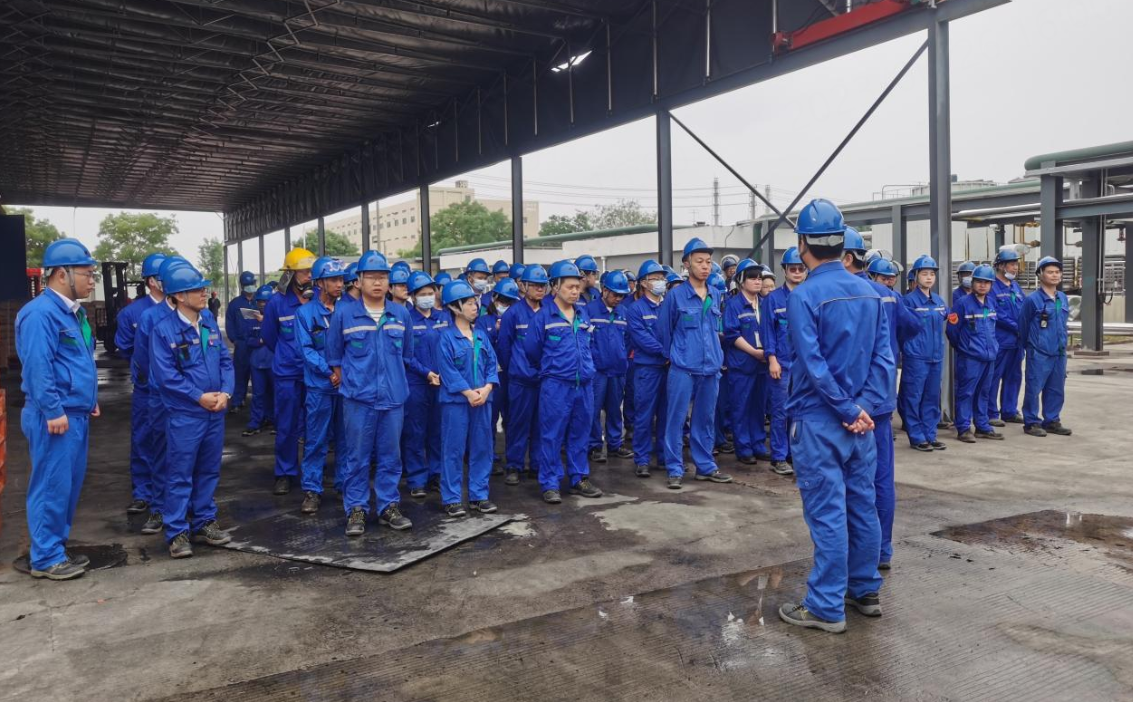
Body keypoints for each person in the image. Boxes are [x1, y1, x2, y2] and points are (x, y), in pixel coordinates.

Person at [777, 199, 893, 634]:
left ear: (802, 244)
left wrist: (846, 408)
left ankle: (826, 605)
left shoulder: (804, 296)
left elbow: (812, 363)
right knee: (862, 505)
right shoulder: (871, 292)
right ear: (842, 243)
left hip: (819, 420)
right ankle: (864, 590)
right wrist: (863, 408)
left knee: (828, 512)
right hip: (861, 422)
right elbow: (885, 359)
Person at [16, 239, 101, 580]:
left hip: (73, 412)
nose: (92, 280)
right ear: (62, 274)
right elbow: (38, 367)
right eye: (86, 273)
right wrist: (52, 410)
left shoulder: (72, 312)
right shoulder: (40, 314)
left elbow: (77, 361)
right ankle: (46, 557)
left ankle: (55, 549)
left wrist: (89, 398)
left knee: (66, 486)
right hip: (54, 416)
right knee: (51, 485)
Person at [149, 263, 234, 558]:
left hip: (214, 412)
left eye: (203, 288)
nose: (204, 293)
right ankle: (177, 531)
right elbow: (166, 376)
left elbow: (225, 361)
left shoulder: (208, 323)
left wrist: (226, 393)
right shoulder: (163, 331)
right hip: (186, 415)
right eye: (197, 289)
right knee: (180, 473)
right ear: (178, 296)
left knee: (209, 470)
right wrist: (198, 397)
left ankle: (204, 522)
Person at [326, 250, 414, 536]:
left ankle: (388, 506)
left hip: (393, 399)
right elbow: (334, 357)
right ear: (359, 281)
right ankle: (356, 509)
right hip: (358, 401)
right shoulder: (344, 314)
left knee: (391, 456)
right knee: (357, 457)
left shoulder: (401, 314)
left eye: (383, 277)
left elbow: (407, 354)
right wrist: (355, 384)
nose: (378, 283)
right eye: (371, 277)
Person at [524, 261, 603, 503]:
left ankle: (579, 478)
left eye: (577, 287)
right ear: (555, 287)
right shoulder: (543, 317)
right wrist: (553, 369)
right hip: (556, 386)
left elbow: (590, 345)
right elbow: (532, 350)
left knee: (580, 432)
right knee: (551, 435)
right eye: (570, 287)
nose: (575, 291)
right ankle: (550, 483)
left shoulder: (582, 314)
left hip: (584, 384)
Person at [657, 238, 733, 489]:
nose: (705, 266)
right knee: (676, 419)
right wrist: (676, 355)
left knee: (705, 419)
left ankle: (705, 466)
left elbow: (716, 330)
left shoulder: (715, 294)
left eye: (708, 262)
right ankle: (674, 468)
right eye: (699, 261)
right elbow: (664, 331)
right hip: (683, 369)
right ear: (686, 264)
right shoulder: (675, 296)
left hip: (710, 369)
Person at [858, 250, 915, 573]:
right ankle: (881, 551)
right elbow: (912, 326)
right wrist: (891, 345)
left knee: (850, 480)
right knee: (881, 477)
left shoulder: (829, 291)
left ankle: (857, 555)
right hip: (880, 394)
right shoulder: (889, 296)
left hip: (847, 401)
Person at [131, 256, 194, 537]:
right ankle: (158, 507)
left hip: (192, 398)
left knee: (190, 455)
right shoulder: (150, 317)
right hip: (161, 397)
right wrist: (161, 383)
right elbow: (143, 359)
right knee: (161, 452)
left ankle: (189, 507)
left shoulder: (199, 314)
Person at [436, 281, 500, 516]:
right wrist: (468, 392)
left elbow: (492, 364)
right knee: (453, 450)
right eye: (471, 303)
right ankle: (452, 498)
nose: (476, 307)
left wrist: (487, 388)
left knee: (482, 447)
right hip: (456, 403)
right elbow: (448, 371)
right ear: (455, 307)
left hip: (483, 400)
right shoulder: (446, 338)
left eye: (476, 302)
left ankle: (479, 495)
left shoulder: (481, 335)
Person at [294, 257, 347, 513]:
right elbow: (306, 350)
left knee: (347, 439)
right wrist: (329, 371)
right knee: (316, 440)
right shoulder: (305, 313)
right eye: (333, 280)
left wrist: (344, 372)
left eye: (341, 280)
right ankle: (312, 490)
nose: (339, 284)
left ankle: (345, 484)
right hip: (320, 387)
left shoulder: (348, 310)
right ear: (320, 283)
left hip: (346, 386)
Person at [115, 252, 166, 516]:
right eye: (162, 276)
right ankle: (143, 492)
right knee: (143, 438)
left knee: (175, 440)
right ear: (151, 281)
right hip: (147, 389)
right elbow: (126, 348)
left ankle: (170, 491)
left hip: (177, 390)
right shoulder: (132, 313)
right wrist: (144, 370)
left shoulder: (180, 307)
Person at [262, 247, 316, 495]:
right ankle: (285, 472)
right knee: (286, 424)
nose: (309, 275)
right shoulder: (277, 302)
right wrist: (287, 354)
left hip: (315, 373)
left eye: (311, 271)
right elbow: (269, 336)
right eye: (304, 271)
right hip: (287, 374)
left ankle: (313, 474)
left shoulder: (319, 299)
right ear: (291, 274)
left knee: (316, 425)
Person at [497, 264, 549, 486]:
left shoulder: (549, 311)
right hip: (520, 380)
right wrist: (516, 369)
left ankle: (537, 465)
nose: (540, 289)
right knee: (518, 424)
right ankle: (514, 465)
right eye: (535, 285)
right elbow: (504, 347)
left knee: (541, 424)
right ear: (524, 286)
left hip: (545, 379)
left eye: (543, 285)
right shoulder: (513, 314)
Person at [762, 247, 805, 477]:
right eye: (793, 269)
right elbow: (767, 331)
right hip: (782, 363)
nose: (797, 272)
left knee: (799, 412)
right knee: (780, 412)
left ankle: (794, 453)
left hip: (803, 365)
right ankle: (779, 456)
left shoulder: (809, 295)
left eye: (800, 269)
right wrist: (772, 359)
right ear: (785, 271)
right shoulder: (773, 299)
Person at [403, 270, 446, 498]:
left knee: (437, 431)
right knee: (415, 432)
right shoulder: (407, 319)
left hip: (442, 383)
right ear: (412, 296)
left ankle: (435, 474)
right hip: (416, 384)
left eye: (431, 293)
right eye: (422, 294)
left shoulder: (443, 318)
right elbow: (406, 355)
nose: (428, 297)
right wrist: (426, 373)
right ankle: (416, 479)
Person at [947, 264, 1001, 443]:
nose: (983, 285)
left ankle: (982, 426)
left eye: (987, 282)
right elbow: (952, 331)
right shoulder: (962, 304)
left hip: (989, 357)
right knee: (966, 393)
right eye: (979, 282)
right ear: (973, 282)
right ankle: (963, 428)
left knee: (984, 392)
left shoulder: (991, 303)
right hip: (970, 358)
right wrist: (965, 348)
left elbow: (992, 329)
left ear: (991, 285)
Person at [723, 259, 770, 465]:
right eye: (752, 278)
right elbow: (731, 334)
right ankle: (744, 448)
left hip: (762, 365)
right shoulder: (733, 305)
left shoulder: (765, 304)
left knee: (759, 407)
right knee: (741, 407)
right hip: (742, 365)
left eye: (759, 278)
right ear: (741, 281)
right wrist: (754, 352)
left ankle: (758, 444)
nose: (757, 281)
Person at [900, 255, 949, 452]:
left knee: (932, 397)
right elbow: (903, 328)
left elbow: (947, 317)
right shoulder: (908, 301)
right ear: (916, 276)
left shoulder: (939, 301)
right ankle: (916, 436)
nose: (929, 277)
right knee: (913, 397)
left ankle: (930, 434)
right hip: (916, 357)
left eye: (932, 274)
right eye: (924, 274)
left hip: (936, 357)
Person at [1020, 256, 1072, 437]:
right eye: (1050, 272)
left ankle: (1052, 421)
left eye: (1057, 272)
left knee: (1056, 388)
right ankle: (1031, 422)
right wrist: (1031, 347)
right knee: (1034, 388)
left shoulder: (1062, 298)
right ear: (1040, 274)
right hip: (1039, 352)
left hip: (1059, 352)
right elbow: (1023, 326)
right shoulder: (1032, 300)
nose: (1055, 275)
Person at [625, 260, 668, 479]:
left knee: (666, 415)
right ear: (643, 283)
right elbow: (641, 339)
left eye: (662, 278)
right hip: (647, 370)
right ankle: (642, 459)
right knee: (644, 416)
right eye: (655, 278)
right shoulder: (635, 309)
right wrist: (667, 351)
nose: (660, 282)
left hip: (668, 369)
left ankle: (664, 457)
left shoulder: (668, 306)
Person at [585, 269, 633, 463]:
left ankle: (615, 444)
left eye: (622, 295)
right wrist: (594, 361)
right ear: (604, 290)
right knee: (593, 409)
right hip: (597, 372)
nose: (618, 299)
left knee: (614, 409)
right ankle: (594, 446)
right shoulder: (589, 311)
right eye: (615, 294)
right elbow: (585, 341)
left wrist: (621, 358)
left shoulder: (624, 313)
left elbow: (628, 340)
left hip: (618, 370)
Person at [477, 277, 521, 470]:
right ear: (494, 299)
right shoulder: (483, 321)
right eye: (503, 300)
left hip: (511, 375)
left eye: (510, 302)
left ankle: (513, 459)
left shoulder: (516, 320)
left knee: (512, 418)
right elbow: (481, 345)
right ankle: (490, 458)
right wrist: (496, 332)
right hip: (491, 378)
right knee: (490, 419)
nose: (506, 305)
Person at [988, 246, 1026, 427]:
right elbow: (996, 313)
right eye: (1012, 264)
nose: (1015, 268)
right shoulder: (992, 287)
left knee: (1014, 376)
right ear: (1001, 266)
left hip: (1016, 342)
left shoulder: (1016, 287)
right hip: (1001, 340)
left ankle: (1009, 411)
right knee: (994, 377)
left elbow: (1024, 309)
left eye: (1016, 265)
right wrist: (1017, 327)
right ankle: (991, 412)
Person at [243, 285, 275, 437]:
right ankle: (256, 422)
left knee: (275, 393)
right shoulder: (251, 319)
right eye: (260, 301)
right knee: (258, 394)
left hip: (273, 362)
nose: (262, 304)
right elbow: (247, 340)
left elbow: (279, 338)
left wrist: (265, 323)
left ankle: (274, 420)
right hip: (257, 362)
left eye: (265, 301)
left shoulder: (276, 318)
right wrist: (259, 341)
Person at [225, 271, 258, 412]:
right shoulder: (235, 304)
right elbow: (229, 323)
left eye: (251, 284)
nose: (250, 286)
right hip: (242, 344)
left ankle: (259, 404)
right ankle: (238, 400)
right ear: (242, 286)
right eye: (247, 284)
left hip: (258, 344)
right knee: (240, 373)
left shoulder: (260, 302)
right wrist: (234, 340)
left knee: (258, 375)